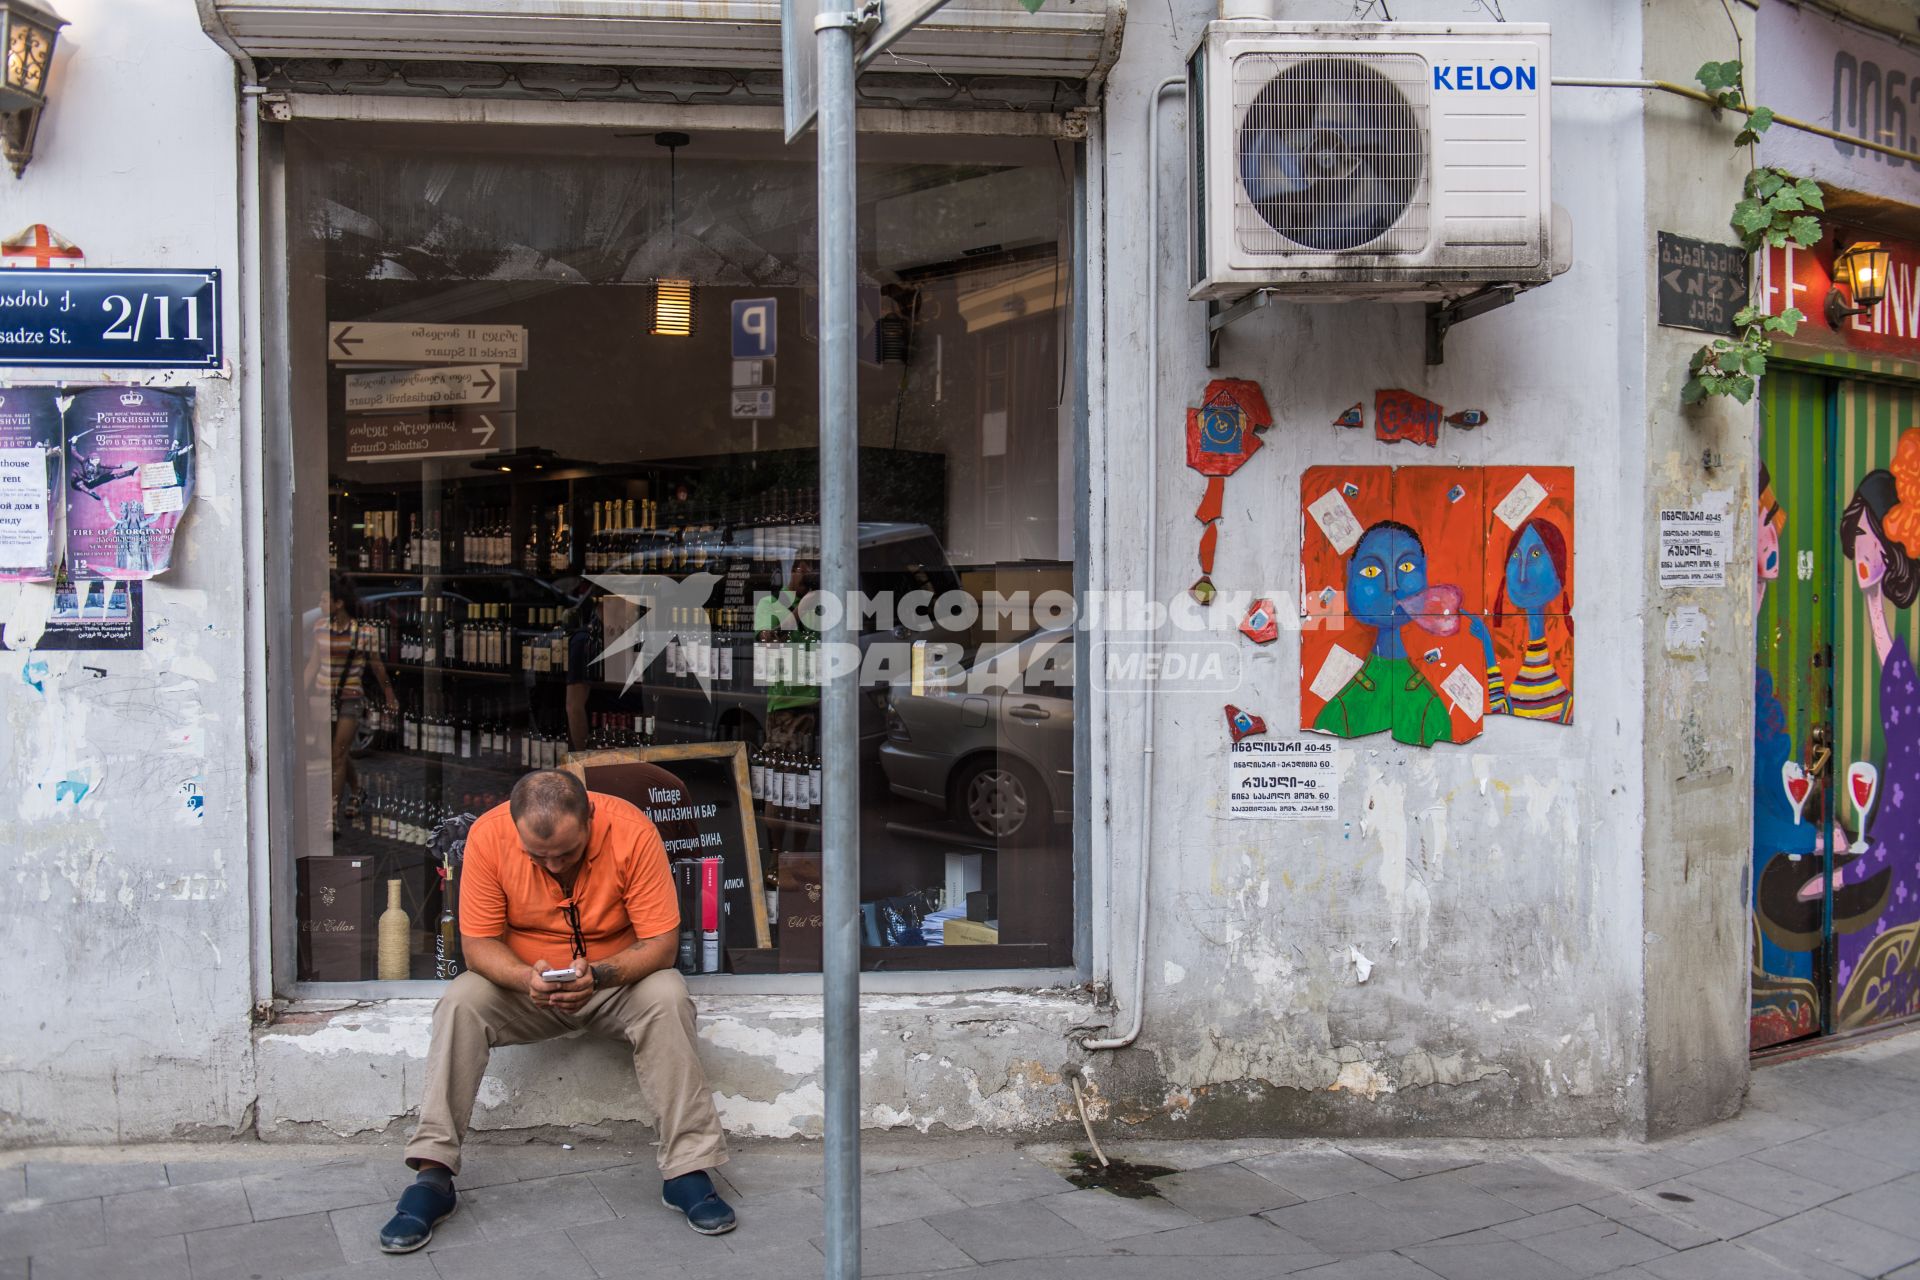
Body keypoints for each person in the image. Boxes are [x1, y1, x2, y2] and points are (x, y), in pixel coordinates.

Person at [378, 769, 734, 1254]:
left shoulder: (632, 831)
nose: (551, 865)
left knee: (669, 995)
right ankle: (433, 1173)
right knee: (460, 1001)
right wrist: (526, 978)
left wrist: (601, 975)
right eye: (537, 856)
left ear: (590, 817)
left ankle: (688, 1169)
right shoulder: (488, 834)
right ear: (516, 827)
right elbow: (478, 945)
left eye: (566, 853)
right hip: (528, 985)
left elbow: (662, 945)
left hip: (614, 981)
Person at [1312, 520, 1454, 746]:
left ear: (1425, 569)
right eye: (1371, 570)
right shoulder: (1340, 712)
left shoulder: (1430, 709)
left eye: (1406, 567)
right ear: (1350, 572)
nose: (1392, 585)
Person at [302, 573, 397, 834]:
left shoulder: (364, 634)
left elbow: (377, 667)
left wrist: (390, 695)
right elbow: (313, 665)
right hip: (323, 699)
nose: (321, 604)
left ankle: (330, 814)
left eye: (325, 600)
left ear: (339, 603)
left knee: (337, 755)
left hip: (351, 700)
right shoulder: (320, 628)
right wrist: (300, 693)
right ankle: (357, 790)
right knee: (336, 753)